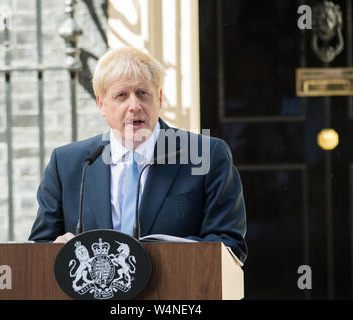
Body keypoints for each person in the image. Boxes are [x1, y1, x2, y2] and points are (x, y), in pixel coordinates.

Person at [28, 47, 248, 264]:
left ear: (159, 99)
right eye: (121, 96)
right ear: (101, 105)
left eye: (143, 93)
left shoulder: (206, 155)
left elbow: (229, 245)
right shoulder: (68, 164)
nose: (134, 106)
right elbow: (38, 248)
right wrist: (56, 249)